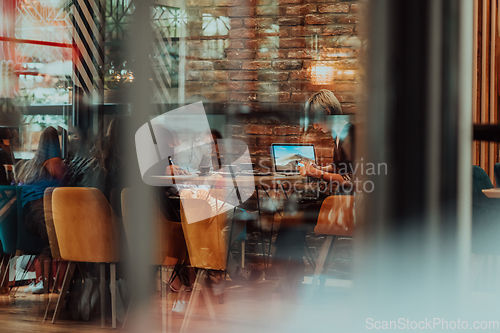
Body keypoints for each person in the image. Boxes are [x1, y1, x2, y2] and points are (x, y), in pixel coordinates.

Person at [272, 90, 355, 295]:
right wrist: (320, 169)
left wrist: (317, 173)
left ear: (326, 112)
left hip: (351, 205)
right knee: (297, 203)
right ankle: (291, 267)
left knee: (296, 204)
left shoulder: (349, 135)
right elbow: (343, 170)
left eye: (315, 120)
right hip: (344, 200)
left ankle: (287, 266)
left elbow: (351, 181)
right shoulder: (341, 134)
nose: (314, 126)